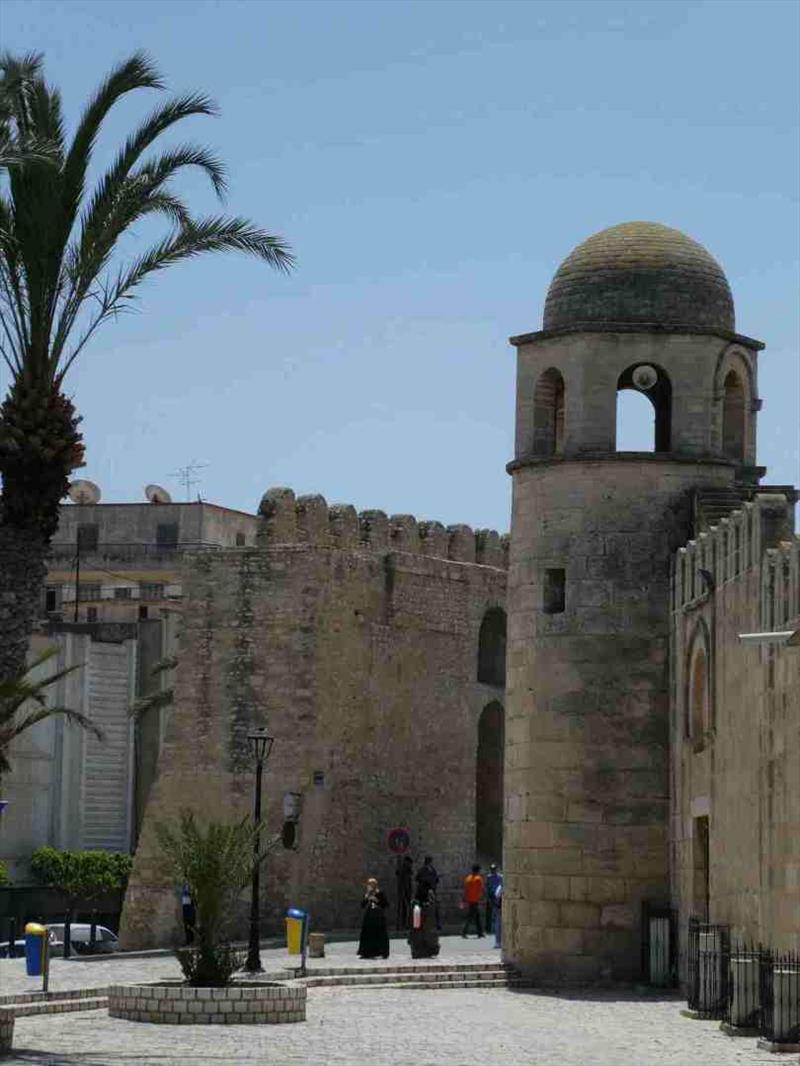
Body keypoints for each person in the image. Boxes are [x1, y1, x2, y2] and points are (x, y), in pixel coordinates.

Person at [358, 877, 390, 959]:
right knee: (368, 935)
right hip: (369, 917)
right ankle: (367, 952)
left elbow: (385, 904)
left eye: (371, 885)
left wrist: (376, 900)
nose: (369, 886)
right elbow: (362, 905)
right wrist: (366, 898)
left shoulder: (380, 893)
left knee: (380, 934)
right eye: (368, 885)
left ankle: (381, 951)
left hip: (378, 917)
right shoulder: (367, 894)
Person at [408, 881, 440, 959]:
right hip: (426, 926)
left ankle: (420, 951)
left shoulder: (414, 903)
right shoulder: (428, 901)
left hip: (419, 927)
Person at [416, 856, 441, 930]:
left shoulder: (432, 870)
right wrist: (425, 881)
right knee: (420, 909)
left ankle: (436, 924)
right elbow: (417, 878)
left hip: (431, 892)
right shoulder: (422, 870)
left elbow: (436, 879)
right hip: (423, 892)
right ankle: (419, 924)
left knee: (434, 908)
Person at [461, 864, 485, 938]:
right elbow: (481, 890)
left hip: (469, 900)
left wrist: (464, 898)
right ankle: (464, 932)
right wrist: (482, 897)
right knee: (470, 917)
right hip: (475, 900)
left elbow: (465, 890)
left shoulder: (468, 878)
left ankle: (480, 932)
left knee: (476, 916)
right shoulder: (478, 879)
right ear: (478, 870)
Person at [396, 855, 414, 930]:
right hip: (403, 891)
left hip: (407, 891)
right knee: (404, 908)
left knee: (405, 908)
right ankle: (402, 924)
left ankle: (404, 924)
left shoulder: (407, 869)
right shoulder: (403, 869)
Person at [485, 863, 502, 934]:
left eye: (494, 869)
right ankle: (489, 929)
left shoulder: (500, 877)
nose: (493, 870)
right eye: (492, 869)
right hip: (491, 895)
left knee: (497, 912)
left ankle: (496, 928)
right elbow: (487, 886)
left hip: (498, 896)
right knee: (489, 913)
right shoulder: (489, 877)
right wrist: (488, 897)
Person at [493, 880, 502, 948]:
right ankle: (498, 942)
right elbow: (497, 897)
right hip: (500, 908)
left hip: (500, 908)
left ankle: (498, 942)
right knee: (498, 925)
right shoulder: (501, 887)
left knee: (499, 925)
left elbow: (497, 896)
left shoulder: (500, 887)